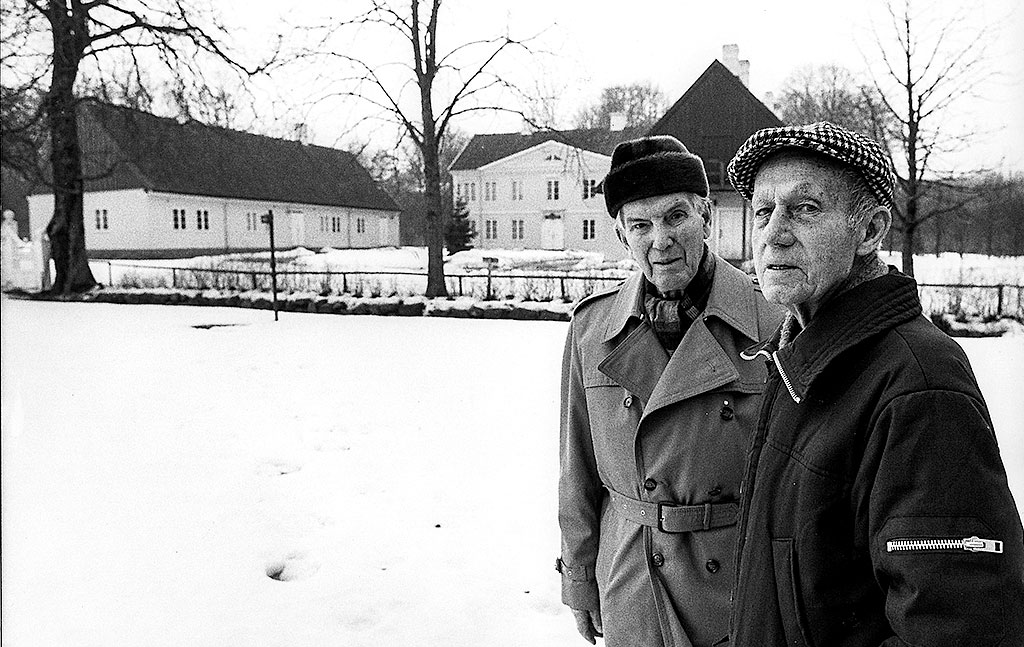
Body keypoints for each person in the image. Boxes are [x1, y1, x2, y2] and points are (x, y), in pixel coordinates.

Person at [724, 121, 1024, 646]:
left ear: (869, 231)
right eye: (763, 212)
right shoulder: (800, 353)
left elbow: (955, 626)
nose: (773, 233)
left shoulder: (919, 384)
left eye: (805, 208)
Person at [557, 135, 784, 647]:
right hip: (631, 579)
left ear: (706, 214)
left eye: (675, 216)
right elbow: (579, 471)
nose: (660, 239)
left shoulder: (772, 321)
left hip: (738, 582)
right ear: (620, 235)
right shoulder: (592, 331)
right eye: (640, 224)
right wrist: (579, 579)